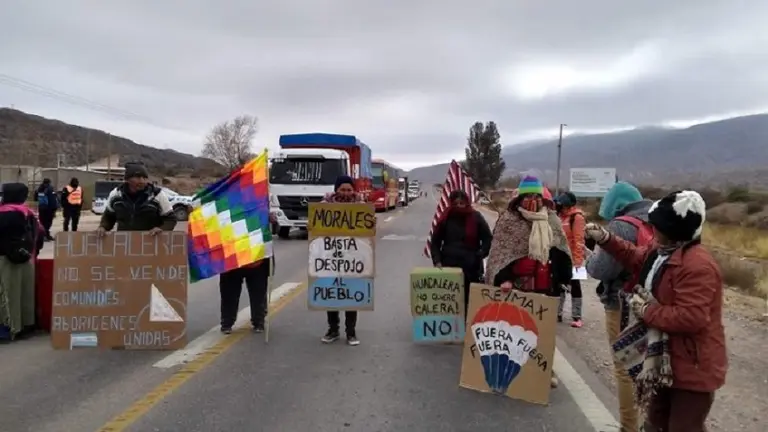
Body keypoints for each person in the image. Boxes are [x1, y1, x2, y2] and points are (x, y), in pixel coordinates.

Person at [585, 190, 726, 432]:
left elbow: (691, 317)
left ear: (674, 231)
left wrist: (647, 310)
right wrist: (606, 239)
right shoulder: (661, 251)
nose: (653, 229)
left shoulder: (698, 266)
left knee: (683, 427)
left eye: (658, 226)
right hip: (663, 361)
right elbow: (636, 257)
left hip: (691, 368)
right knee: (655, 424)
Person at [484, 176, 572, 388]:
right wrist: (503, 279)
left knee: (544, 331)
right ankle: (518, 369)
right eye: (527, 196)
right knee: (519, 331)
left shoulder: (551, 220)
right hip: (518, 287)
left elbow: (561, 251)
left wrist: (563, 279)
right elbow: (499, 254)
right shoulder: (508, 221)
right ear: (519, 198)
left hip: (546, 286)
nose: (532, 200)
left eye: (536, 196)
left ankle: (544, 369)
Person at [585, 181, 652, 432]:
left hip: (622, 305)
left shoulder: (622, 226)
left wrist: (590, 258)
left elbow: (601, 269)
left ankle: (628, 427)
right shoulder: (656, 222)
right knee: (649, 366)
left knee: (625, 367)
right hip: (651, 303)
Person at [429, 190, 493, 317]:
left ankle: (467, 327)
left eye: (462, 202)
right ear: (452, 203)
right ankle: (452, 328)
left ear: (467, 201)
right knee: (451, 301)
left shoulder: (476, 217)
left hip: (471, 267)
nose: (459, 205)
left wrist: (480, 254)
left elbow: (488, 240)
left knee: (470, 301)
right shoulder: (446, 218)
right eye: (456, 202)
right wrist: (437, 261)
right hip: (449, 267)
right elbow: (435, 242)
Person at [0, 183, 45, 342]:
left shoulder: (3, 214)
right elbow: (40, 233)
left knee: (7, 295)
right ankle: (26, 325)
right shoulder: (28, 213)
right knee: (25, 293)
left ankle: (7, 328)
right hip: (27, 258)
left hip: (4, 259)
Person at [320, 175, 362, 346]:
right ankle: (333, 329)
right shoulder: (324, 206)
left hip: (353, 259)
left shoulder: (361, 207)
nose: (346, 193)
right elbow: (316, 228)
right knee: (332, 295)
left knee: (351, 296)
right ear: (336, 190)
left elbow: (368, 231)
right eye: (343, 189)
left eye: (349, 189)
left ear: (354, 191)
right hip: (331, 258)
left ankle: (351, 332)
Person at [96, 162, 177, 236]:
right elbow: (108, 216)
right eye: (138, 177)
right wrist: (103, 227)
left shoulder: (157, 195)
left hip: (150, 244)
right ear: (127, 179)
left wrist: (161, 229)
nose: (142, 181)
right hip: (125, 244)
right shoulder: (116, 195)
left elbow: (171, 219)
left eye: (144, 178)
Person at [554, 191, 586, 327]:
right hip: (560, 257)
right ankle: (557, 313)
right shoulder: (559, 217)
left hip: (572, 258)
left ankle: (577, 316)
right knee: (558, 284)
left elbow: (579, 240)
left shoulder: (576, 218)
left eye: (560, 204)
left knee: (575, 286)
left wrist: (578, 261)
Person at [219, 258, 271, 334]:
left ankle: (259, 321)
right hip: (232, 262)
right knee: (229, 295)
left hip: (257, 262)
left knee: (258, 294)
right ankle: (227, 323)